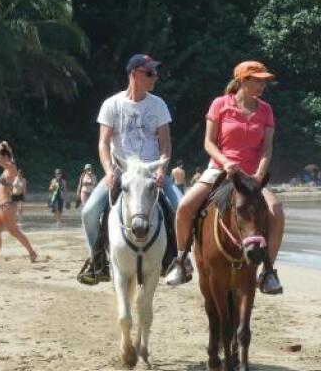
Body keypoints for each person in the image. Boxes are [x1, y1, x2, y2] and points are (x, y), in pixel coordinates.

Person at [165, 60, 284, 295]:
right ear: (242, 81)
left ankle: (268, 270)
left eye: (263, 81)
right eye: (257, 80)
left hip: (251, 175)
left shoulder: (266, 110)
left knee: (276, 211)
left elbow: (267, 148)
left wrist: (260, 171)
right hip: (220, 169)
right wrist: (226, 161)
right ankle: (181, 260)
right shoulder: (220, 104)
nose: (262, 85)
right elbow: (208, 143)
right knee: (184, 208)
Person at [78, 53, 179, 284]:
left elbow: (166, 144)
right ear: (134, 74)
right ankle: (97, 262)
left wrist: (162, 170)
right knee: (89, 212)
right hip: (121, 172)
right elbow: (103, 143)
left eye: (155, 72)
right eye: (150, 73)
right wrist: (109, 171)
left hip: (151, 172)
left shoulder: (159, 105)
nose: (155, 77)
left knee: (181, 207)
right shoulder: (111, 105)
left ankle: (177, 260)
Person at [0, 141, 37, 268]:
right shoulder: (8, 167)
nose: (1, 158)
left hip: (6, 205)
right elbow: (8, 156)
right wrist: (7, 147)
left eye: (3, 156)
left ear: (6, 157)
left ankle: (32, 252)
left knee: (14, 232)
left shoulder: (12, 168)